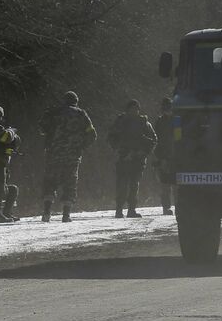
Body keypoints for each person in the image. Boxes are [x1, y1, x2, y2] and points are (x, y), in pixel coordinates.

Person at [40, 91, 97, 223]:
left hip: (54, 153)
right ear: (76, 101)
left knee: (50, 181)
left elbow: (42, 128)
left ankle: (46, 213)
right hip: (72, 155)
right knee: (70, 183)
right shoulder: (81, 114)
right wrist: (81, 146)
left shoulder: (54, 112)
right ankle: (66, 215)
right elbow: (92, 134)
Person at [107, 99, 158, 218]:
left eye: (136, 109)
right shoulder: (121, 122)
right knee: (123, 184)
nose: (134, 111)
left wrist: (143, 152)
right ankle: (119, 210)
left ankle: (130, 210)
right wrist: (119, 150)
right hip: (124, 157)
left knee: (133, 185)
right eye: (132, 109)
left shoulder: (143, 123)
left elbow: (153, 139)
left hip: (137, 159)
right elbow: (111, 137)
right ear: (127, 110)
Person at [151, 97, 176, 217]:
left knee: (176, 184)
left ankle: (177, 206)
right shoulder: (160, 121)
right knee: (165, 184)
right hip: (164, 156)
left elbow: (178, 137)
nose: (167, 110)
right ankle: (166, 207)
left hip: (175, 155)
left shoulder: (177, 121)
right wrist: (159, 156)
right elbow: (157, 139)